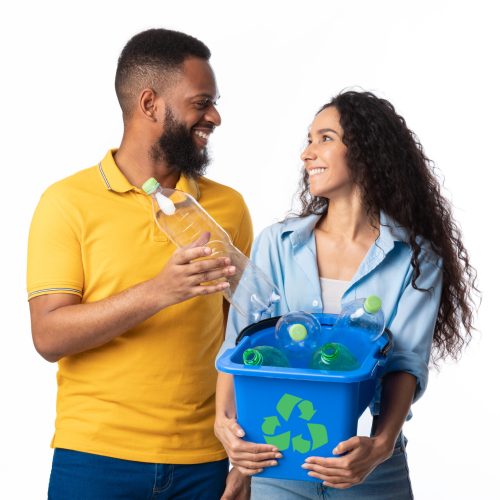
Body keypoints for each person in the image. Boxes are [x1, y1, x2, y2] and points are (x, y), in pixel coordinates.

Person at [215, 90, 478, 499]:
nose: (306, 153)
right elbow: (241, 343)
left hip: (371, 469)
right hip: (277, 460)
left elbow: (405, 363)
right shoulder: (277, 244)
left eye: (324, 138)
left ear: (366, 151)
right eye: (308, 139)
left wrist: (379, 446)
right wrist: (226, 429)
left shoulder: (415, 258)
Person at [27, 28, 252, 500]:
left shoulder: (227, 208)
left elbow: (246, 340)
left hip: (205, 462)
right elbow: (48, 336)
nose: (214, 116)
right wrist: (158, 291)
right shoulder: (67, 203)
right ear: (150, 104)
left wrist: (245, 457)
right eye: (201, 102)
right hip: (93, 460)